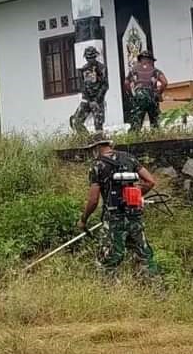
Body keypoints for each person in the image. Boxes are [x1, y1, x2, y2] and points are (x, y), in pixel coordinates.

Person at [77, 133, 161, 278]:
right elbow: (150, 182)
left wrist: (83, 219)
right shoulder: (129, 158)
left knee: (108, 259)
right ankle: (153, 287)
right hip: (134, 216)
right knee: (144, 255)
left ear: (96, 148)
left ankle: (109, 292)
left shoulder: (97, 166)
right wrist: (133, 196)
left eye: (90, 150)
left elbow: (93, 200)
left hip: (113, 219)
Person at [126, 51, 168, 132]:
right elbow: (165, 82)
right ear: (150, 60)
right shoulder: (155, 71)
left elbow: (126, 83)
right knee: (155, 122)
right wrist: (159, 94)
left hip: (139, 95)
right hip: (152, 96)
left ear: (140, 60)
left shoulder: (133, 70)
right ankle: (156, 138)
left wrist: (132, 95)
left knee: (136, 124)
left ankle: (134, 139)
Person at [70, 46, 109, 133]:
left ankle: (99, 141)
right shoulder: (83, 69)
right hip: (87, 100)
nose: (90, 59)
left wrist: (96, 100)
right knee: (76, 121)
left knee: (98, 125)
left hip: (98, 100)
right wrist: (89, 100)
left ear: (95, 56)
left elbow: (105, 86)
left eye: (92, 57)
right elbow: (82, 86)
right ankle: (86, 139)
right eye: (88, 58)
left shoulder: (102, 68)